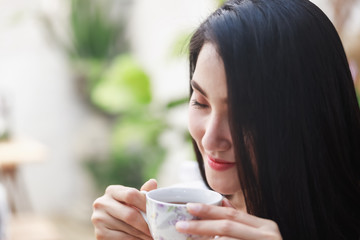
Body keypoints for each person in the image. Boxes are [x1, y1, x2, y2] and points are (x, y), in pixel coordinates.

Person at [91, 0, 360, 239]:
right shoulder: (194, 222)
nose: (210, 138)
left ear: (305, 118)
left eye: (244, 116)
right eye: (201, 102)